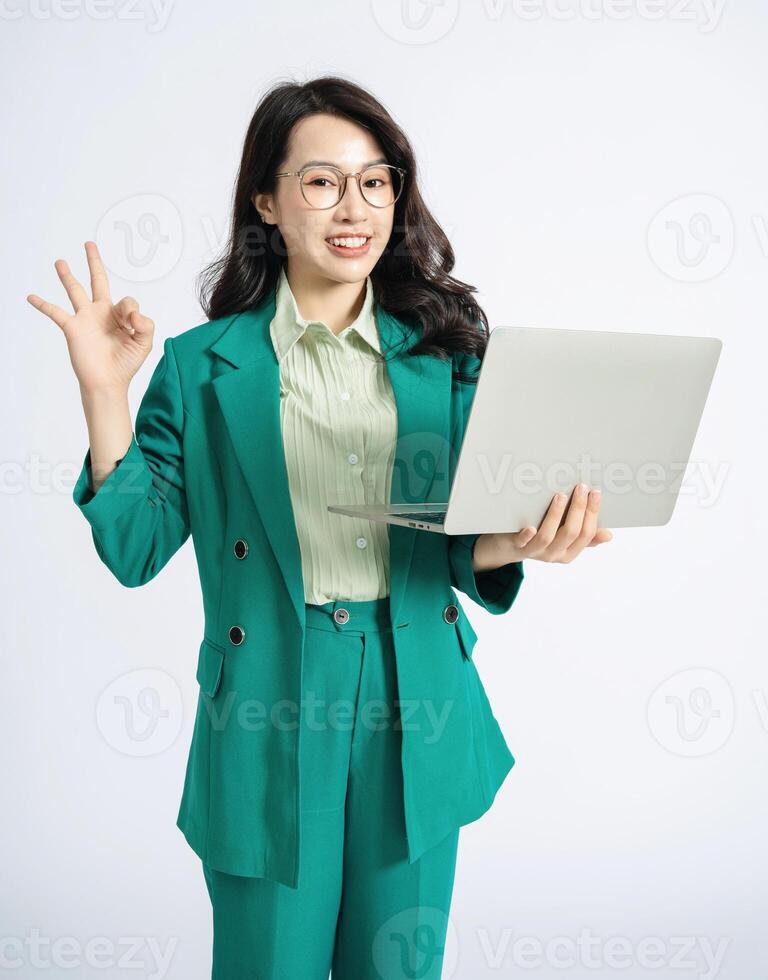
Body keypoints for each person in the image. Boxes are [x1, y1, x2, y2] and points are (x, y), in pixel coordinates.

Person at [28, 75, 612, 980]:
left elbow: (458, 538)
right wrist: (105, 392)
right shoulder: (201, 367)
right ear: (266, 201)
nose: (356, 208)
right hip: (268, 696)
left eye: (377, 181)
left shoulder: (447, 353)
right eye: (322, 181)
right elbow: (136, 548)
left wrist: (523, 539)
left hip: (413, 693)